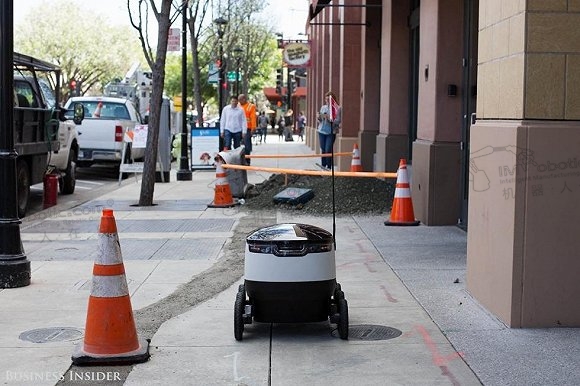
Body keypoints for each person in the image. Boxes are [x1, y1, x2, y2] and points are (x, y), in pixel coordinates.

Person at [317, 91, 342, 170]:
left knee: (328, 149)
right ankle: (323, 166)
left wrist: (329, 119)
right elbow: (320, 121)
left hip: (331, 132)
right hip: (321, 130)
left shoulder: (337, 108)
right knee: (323, 149)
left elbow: (338, 121)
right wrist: (319, 117)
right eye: (326, 100)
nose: (327, 101)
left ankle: (329, 166)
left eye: (328, 100)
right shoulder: (323, 107)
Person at [238, 94, 256, 164]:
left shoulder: (251, 106)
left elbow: (253, 118)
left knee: (247, 145)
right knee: (237, 145)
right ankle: (240, 160)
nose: (239, 101)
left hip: (247, 128)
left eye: (240, 100)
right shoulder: (238, 106)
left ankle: (247, 161)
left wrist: (253, 128)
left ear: (244, 99)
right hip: (238, 128)